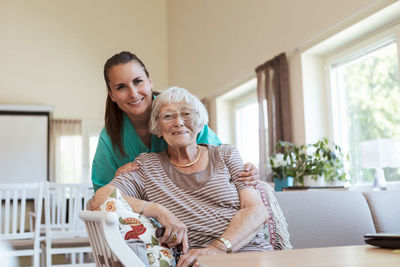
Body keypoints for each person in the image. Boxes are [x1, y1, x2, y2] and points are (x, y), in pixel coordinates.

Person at [91, 87, 272, 267]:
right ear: (158, 128)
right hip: (195, 262)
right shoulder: (147, 166)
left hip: (252, 254)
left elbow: (256, 211)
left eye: (186, 113)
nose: (179, 122)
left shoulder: (226, 154)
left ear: (199, 121)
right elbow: (100, 197)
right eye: (168, 116)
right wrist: (156, 210)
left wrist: (218, 248)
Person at [91, 51, 259, 191]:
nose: (133, 93)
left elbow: (221, 159)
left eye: (138, 81)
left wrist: (247, 172)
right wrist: (117, 180)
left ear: (150, 82)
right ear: (111, 95)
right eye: (121, 87)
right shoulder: (109, 138)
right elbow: (102, 195)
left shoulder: (182, 110)